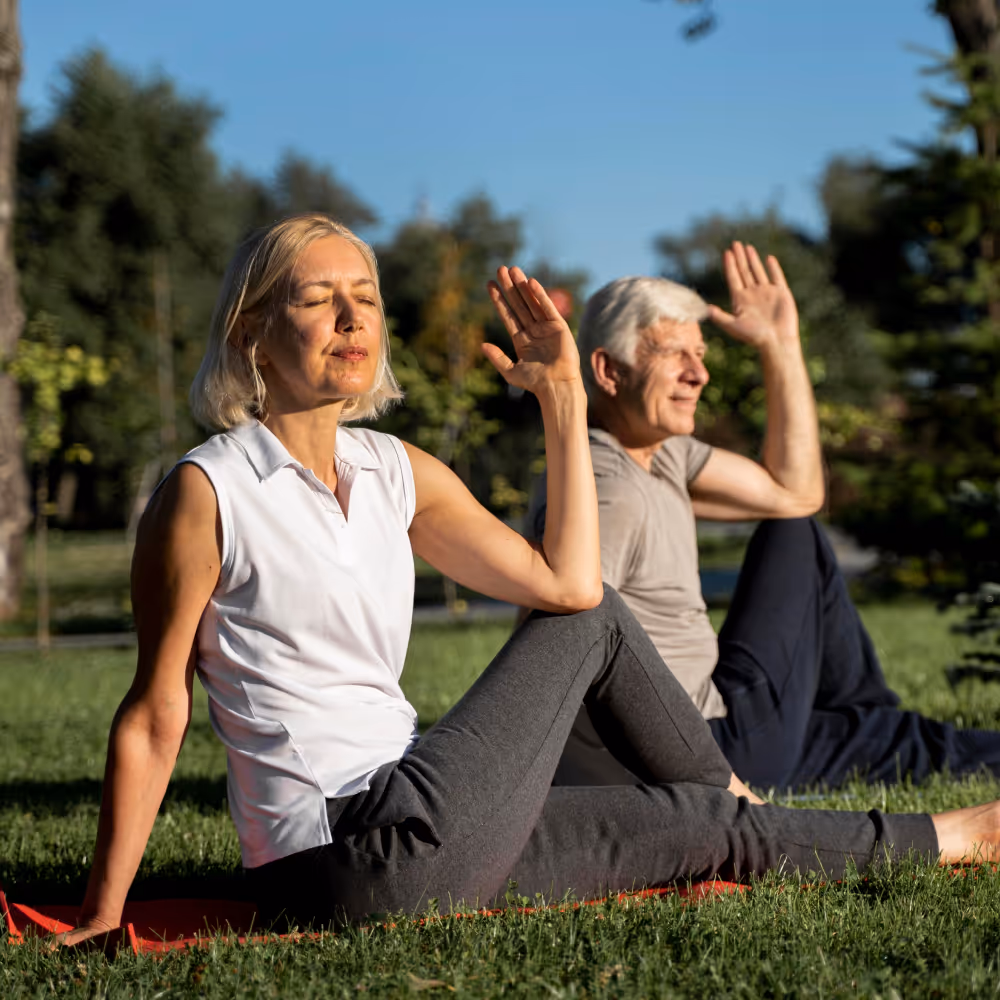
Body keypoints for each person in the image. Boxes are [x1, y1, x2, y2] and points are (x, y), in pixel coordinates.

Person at [60, 216, 1000, 944]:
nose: (352, 319)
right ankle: (771, 798)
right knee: (596, 633)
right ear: (253, 331)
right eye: (318, 300)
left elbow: (565, 580)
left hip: (433, 826)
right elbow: (154, 715)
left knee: (700, 824)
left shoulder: (398, 471)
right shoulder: (208, 490)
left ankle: (955, 839)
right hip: (344, 846)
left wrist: (563, 401)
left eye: (367, 297)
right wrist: (105, 914)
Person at [528, 242, 1000, 792]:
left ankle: (868, 726)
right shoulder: (609, 489)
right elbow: (555, 643)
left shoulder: (664, 456)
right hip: (702, 753)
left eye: (700, 355)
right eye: (674, 354)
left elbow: (796, 490)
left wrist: (780, 345)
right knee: (792, 536)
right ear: (609, 371)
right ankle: (864, 718)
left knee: (927, 747)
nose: (698, 375)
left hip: (724, 730)